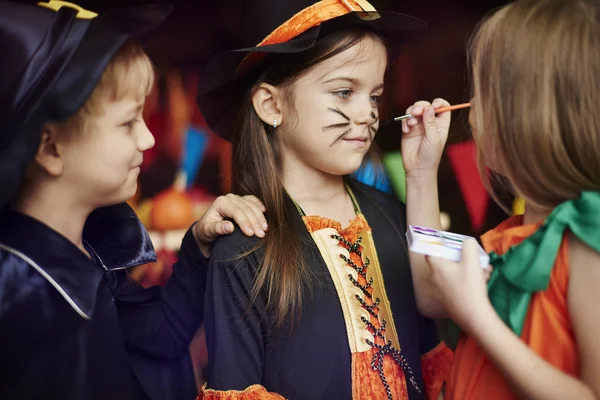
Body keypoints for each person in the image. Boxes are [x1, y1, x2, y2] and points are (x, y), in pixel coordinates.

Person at [0, 2, 267, 399]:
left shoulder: (91, 251)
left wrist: (198, 245)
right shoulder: (18, 295)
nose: (148, 139)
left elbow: (160, 336)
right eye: (128, 122)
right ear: (51, 147)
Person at [195, 1, 456, 399]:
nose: (367, 114)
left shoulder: (389, 214)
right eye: (344, 91)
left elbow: (440, 301)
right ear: (271, 105)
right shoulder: (243, 244)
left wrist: (421, 175)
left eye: (374, 96)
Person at [422, 0, 600, 399]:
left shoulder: (590, 236)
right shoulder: (508, 236)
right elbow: (428, 292)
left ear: (525, 116)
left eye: (481, 92)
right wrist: (421, 173)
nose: (468, 108)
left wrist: (477, 316)